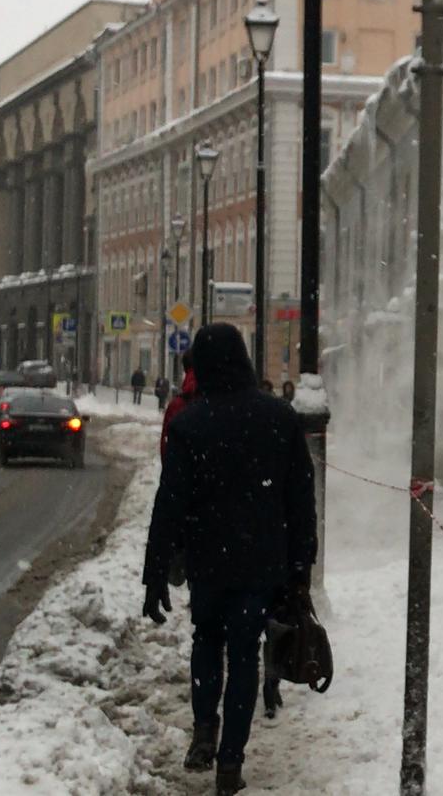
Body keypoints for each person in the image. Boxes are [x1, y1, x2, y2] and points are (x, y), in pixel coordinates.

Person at [142, 324, 315, 796]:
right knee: (244, 656)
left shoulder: (190, 425)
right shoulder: (279, 419)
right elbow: (301, 502)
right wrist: (302, 569)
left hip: (209, 560)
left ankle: (204, 728)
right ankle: (230, 763)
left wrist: (156, 571)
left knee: (206, 639)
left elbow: (169, 503)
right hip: (262, 562)